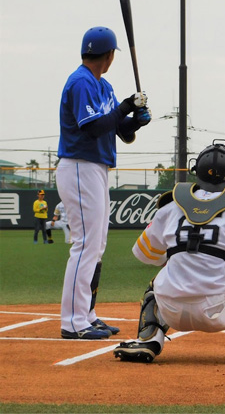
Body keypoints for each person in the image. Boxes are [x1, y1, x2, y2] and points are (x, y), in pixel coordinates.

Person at [114, 140, 225, 364]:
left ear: (196, 171)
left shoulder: (171, 206)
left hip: (170, 310)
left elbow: (146, 255)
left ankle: (147, 338)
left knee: (158, 280)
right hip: (218, 311)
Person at [56, 26, 151, 340]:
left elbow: (120, 131)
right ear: (109, 55)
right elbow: (94, 127)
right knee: (86, 244)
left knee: (96, 246)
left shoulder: (103, 84)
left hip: (95, 167)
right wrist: (126, 106)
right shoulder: (81, 82)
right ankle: (73, 322)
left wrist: (135, 120)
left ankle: (87, 314)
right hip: (79, 165)